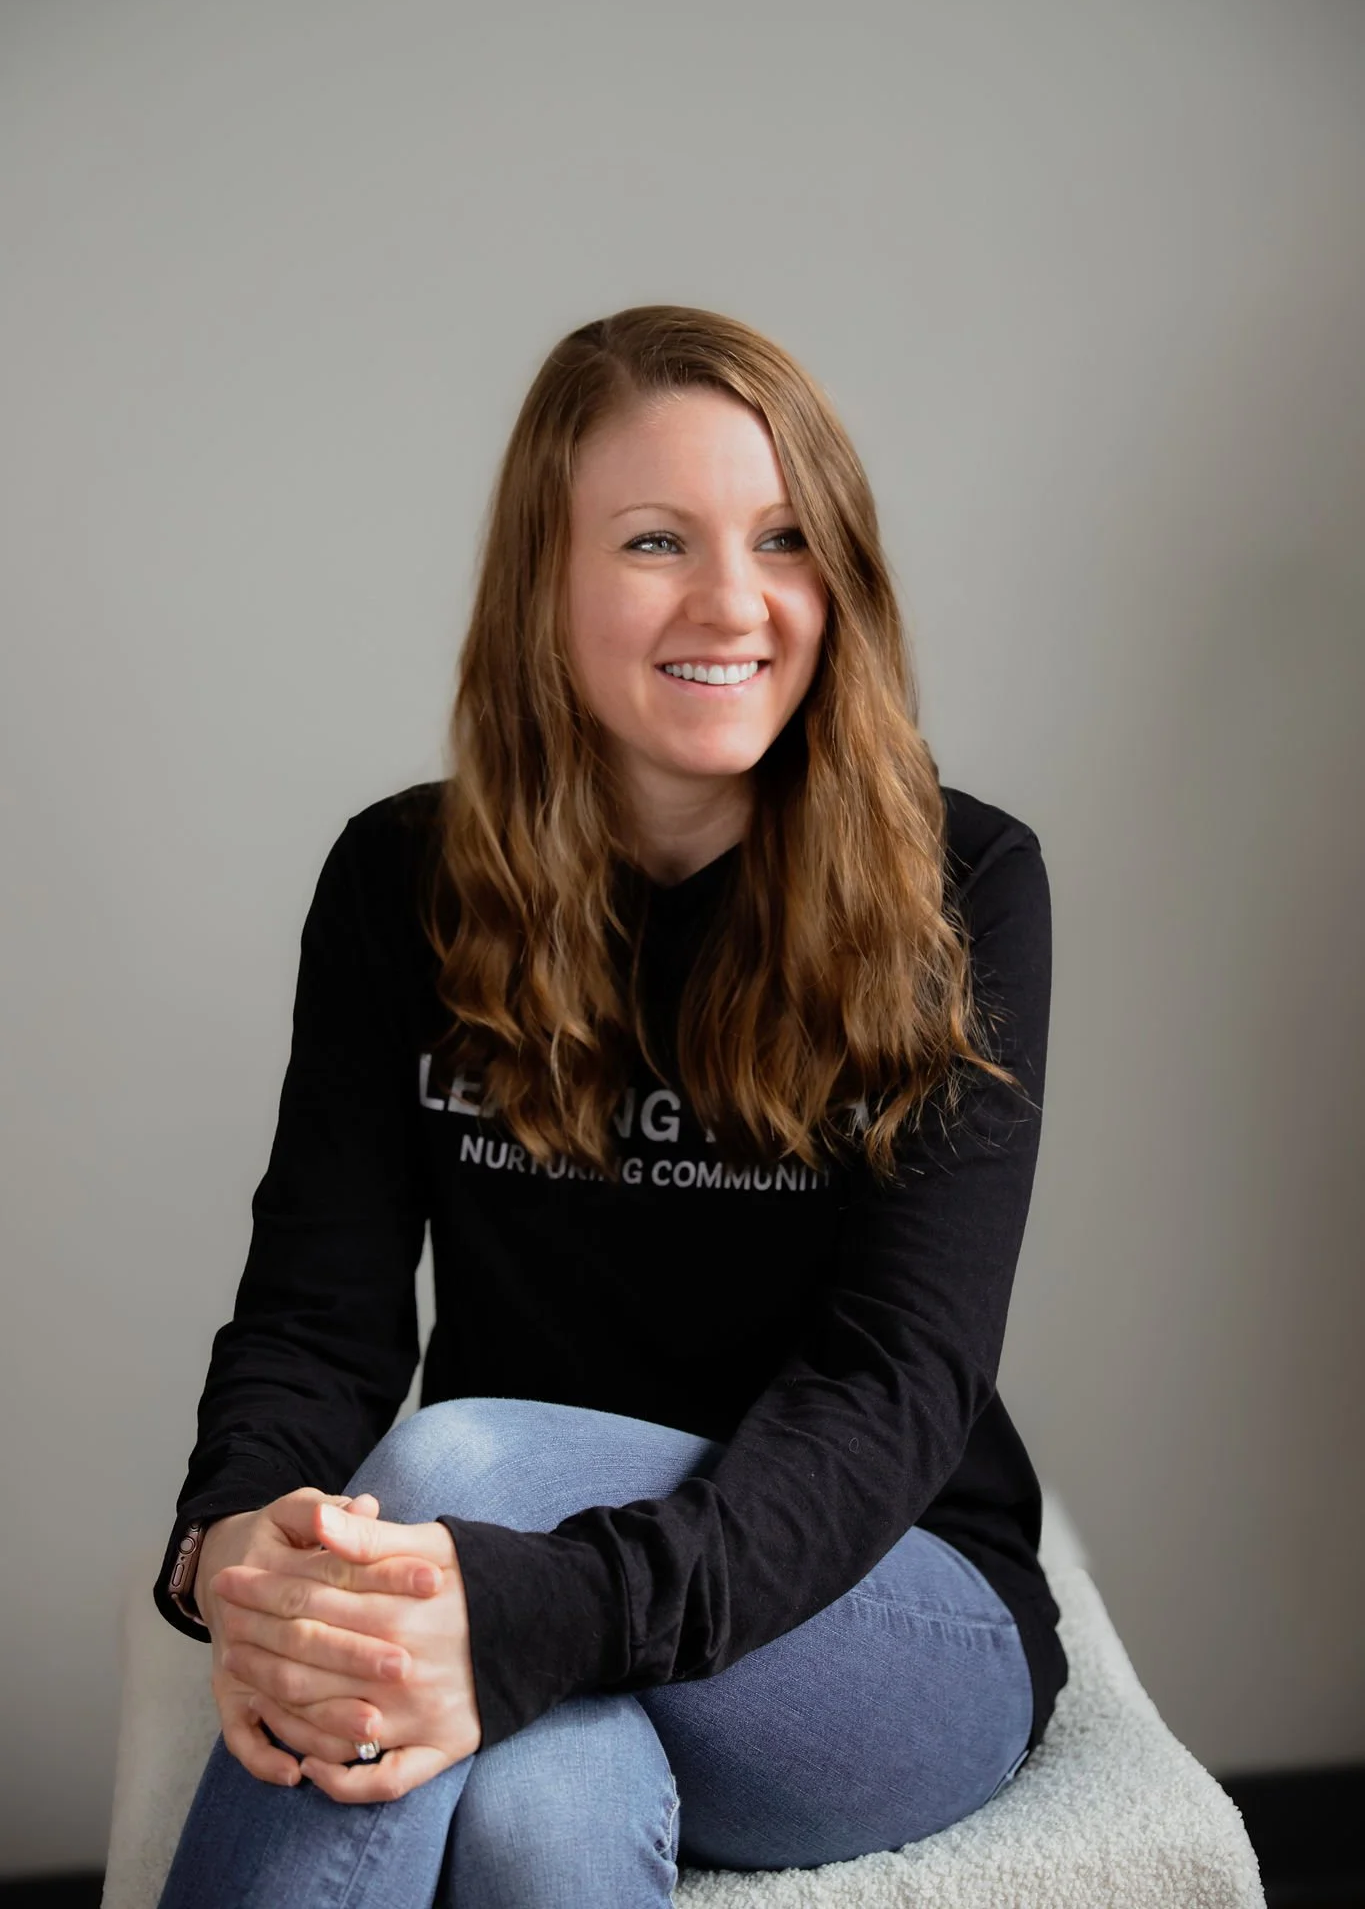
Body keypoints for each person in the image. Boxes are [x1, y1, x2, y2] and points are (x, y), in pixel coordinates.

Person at [153, 303, 1067, 1908]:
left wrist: (511, 1604)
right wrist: (238, 1545)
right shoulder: (401, 885)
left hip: (884, 1616)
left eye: (786, 539)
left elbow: (893, 1390)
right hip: (520, 1582)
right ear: (545, 587)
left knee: (454, 1466)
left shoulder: (963, 885)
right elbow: (316, 1312)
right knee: (533, 1804)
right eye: (656, 540)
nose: (735, 601)